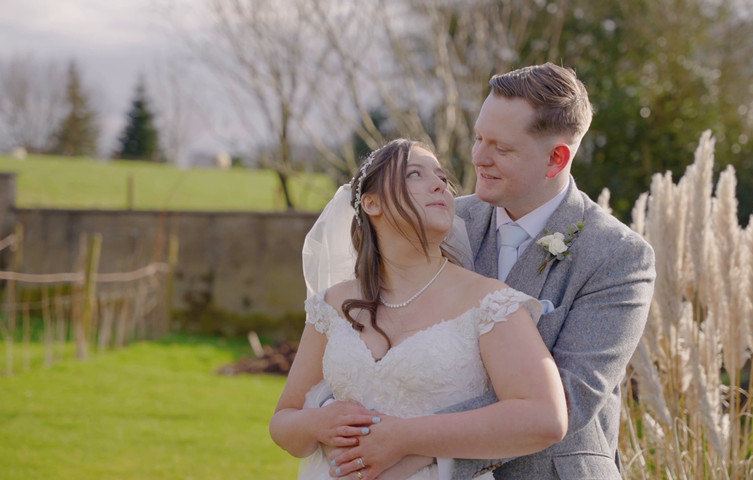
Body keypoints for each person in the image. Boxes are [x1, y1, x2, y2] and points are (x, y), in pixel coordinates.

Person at [333, 63, 657, 479]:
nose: (478, 158)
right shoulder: (443, 221)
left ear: (556, 158)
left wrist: (411, 445)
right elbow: (377, 333)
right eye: (479, 138)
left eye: (501, 149)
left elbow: (569, 400)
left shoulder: (619, 256)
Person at [269, 139, 569, 480]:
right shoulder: (332, 305)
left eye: (441, 177)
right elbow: (283, 422)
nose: (439, 184)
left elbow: (545, 418)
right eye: (415, 173)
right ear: (372, 203)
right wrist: (316, 423)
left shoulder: (490, 302)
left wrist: (404, 439)